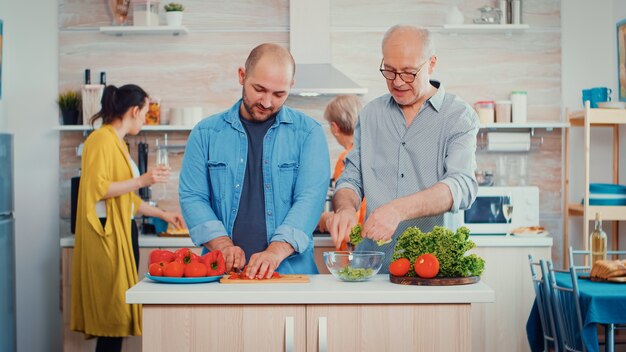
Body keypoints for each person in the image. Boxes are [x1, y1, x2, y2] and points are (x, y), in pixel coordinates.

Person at [326, 25, 479, 271]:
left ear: (431, 64)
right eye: (389, 71)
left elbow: (462, 185)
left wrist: (398, 210)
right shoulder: (370, 115)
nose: (397, 82)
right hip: (373, 267)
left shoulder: (458, 116)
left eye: (408, 73)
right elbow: (351, 179)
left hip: (433, 270)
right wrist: (345, 208)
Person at [179, 43, 330, 279]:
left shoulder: (309, 133)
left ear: (291, 86)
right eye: (259, 89)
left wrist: (274, 252)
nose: (267, 102)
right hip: (222, 275)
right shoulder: (205, 133)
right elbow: (193, 196)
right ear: (242, 76)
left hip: (290, 275)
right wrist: (223, 246)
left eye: (279, 94)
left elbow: (310, 199)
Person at [70, 84, 185, 352]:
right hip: (106, 237)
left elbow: (127, 200)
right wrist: (143, 179)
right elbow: (99, 189)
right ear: (134, 111)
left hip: (120, 233)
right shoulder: (100, 140)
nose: (145, 119)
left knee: (116, 317)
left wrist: (163, 214)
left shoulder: (116, 142)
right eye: (144, 113)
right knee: (113, 315)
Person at [317, 95, 366, 235]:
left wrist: (326, 218)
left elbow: (351, 218)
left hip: (355, 247)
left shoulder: (346, 159)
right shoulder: (371, 152)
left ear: (334, 127)